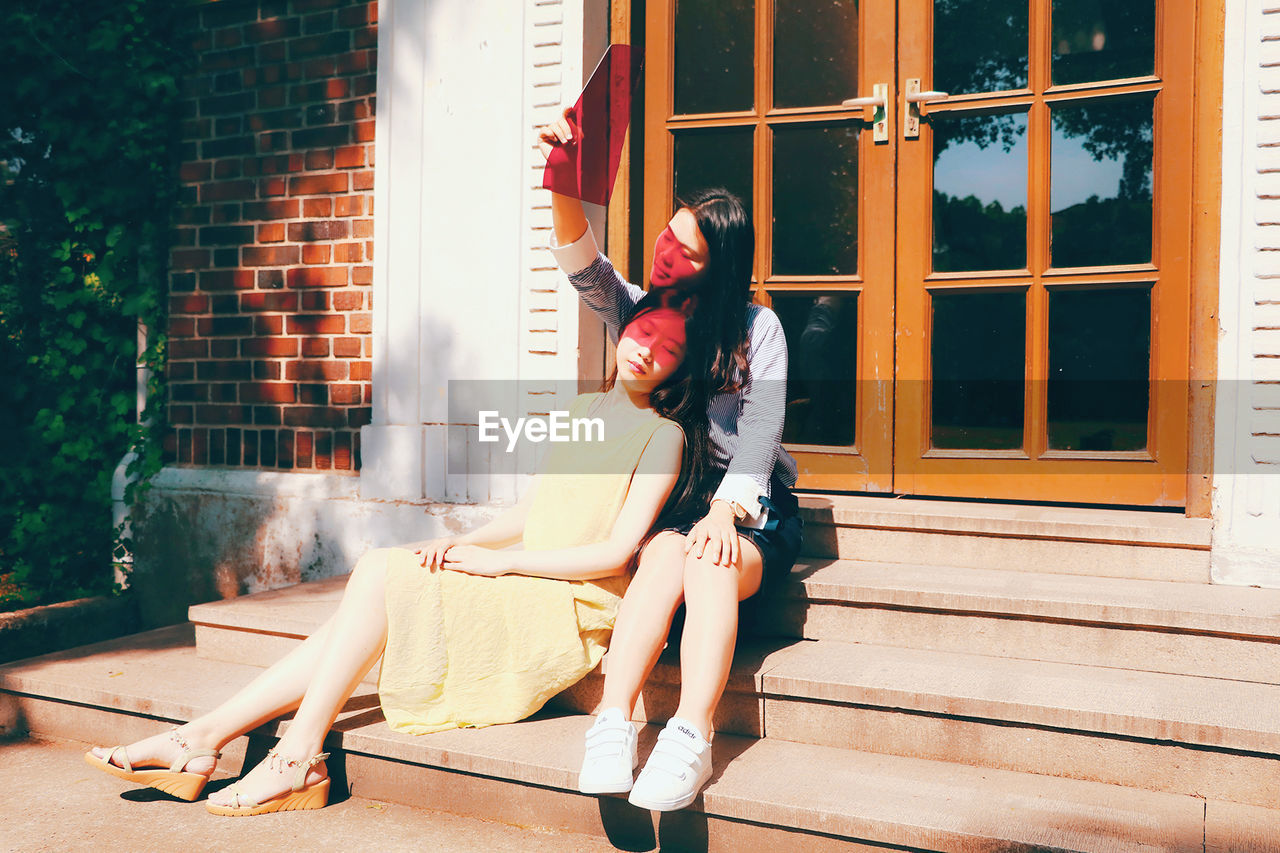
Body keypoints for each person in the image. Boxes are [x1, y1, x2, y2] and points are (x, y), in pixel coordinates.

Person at [85, 293, 708, 816]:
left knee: (378, 577)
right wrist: (461, 543)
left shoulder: (663, 435)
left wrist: (503, 562)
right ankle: (203, 738)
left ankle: (291, 757)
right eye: (644, 329)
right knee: (384, 575)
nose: (648, 348)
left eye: (669, 348)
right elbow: (530, 516)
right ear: (626, 326)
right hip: (523, 576)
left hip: (569, 604)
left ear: (678, 370)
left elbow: (617, 552)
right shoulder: (581, 410)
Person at [538, 112, 804, 812]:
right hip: (682, 498)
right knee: (662, 557)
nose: (665, 256)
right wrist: (561, 181)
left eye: (685, 253)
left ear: (717, 268)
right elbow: (581, 265)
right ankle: (614, 722)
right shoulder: (642, 312)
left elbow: (762, 428)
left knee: (708, 557)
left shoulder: (756, 328)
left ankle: (692, 732)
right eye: (667, 236)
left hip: (749, 506)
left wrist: (725, 509)